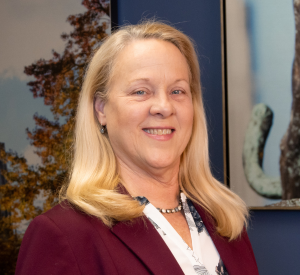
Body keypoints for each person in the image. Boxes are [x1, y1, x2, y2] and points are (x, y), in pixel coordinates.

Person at [15, 21, 259, 275]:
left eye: (177, 91)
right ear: (101, 109)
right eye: (141, 91)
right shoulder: (64, 235)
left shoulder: (225, 222)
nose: (164, 107)